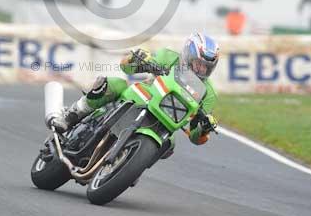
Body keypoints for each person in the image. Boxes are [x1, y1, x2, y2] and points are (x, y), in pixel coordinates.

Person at [50, 32, 219, 146]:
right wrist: (138, 59)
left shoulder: (208, 93)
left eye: (205, 67)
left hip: (166, 121)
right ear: (188, 56)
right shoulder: (169, 57)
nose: (200, 70)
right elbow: (126, 68)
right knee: (114, 84)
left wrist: (204, 128)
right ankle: (71, 115)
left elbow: (195, 137)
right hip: (144, 95)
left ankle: (129, 162)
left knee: (169, 145)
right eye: (198, 64)